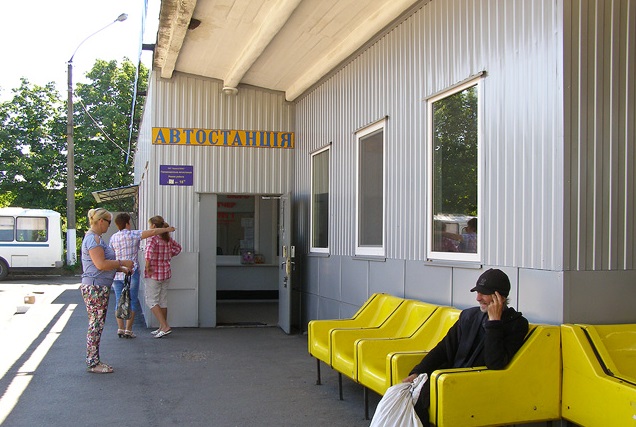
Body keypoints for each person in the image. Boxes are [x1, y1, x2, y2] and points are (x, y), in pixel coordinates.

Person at [402, 268, 528, 425]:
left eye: (483, 293)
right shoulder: (469, 316)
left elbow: (495, 362)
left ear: (499, 297)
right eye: (477, 292)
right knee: (418, 394)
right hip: (451, 381)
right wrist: (418, 372)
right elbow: (444, 348)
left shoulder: (516, 324)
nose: (478, 298)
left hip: (480, 386)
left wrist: (494, 322)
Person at [80, 208, 133, 374]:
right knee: (96, 324)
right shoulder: (94, 239)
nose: (109, 225)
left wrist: (121, 269)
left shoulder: (95, 238)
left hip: (97, 285)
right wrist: (122, 262)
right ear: (101, 221)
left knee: (96, 323)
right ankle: (93, 362)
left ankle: (93, 360)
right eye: (109, 222)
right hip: (96, 287)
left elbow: (100, 265)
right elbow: (101, 264)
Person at [110, 213, 176, 339]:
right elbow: (153, 232)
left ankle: (120, 328)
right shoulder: (134, 234)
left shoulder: (113, 237)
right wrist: (167, 230)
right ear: (128, 223)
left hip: (118, 273)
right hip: (133, 272)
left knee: (119, 300)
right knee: (133, 301)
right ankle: (129, 329)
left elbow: (111, 254)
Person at [144, 215, 182, 338]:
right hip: (166, 272)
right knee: (163, 301)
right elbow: (178, 248)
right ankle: (162, 327)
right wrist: (169, 255)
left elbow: (148, 253)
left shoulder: (153, 238)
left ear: (154, 226)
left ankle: (164, 326)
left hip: (154, 274)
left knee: (151, 300)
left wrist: (147, 267)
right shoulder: (167, 238)